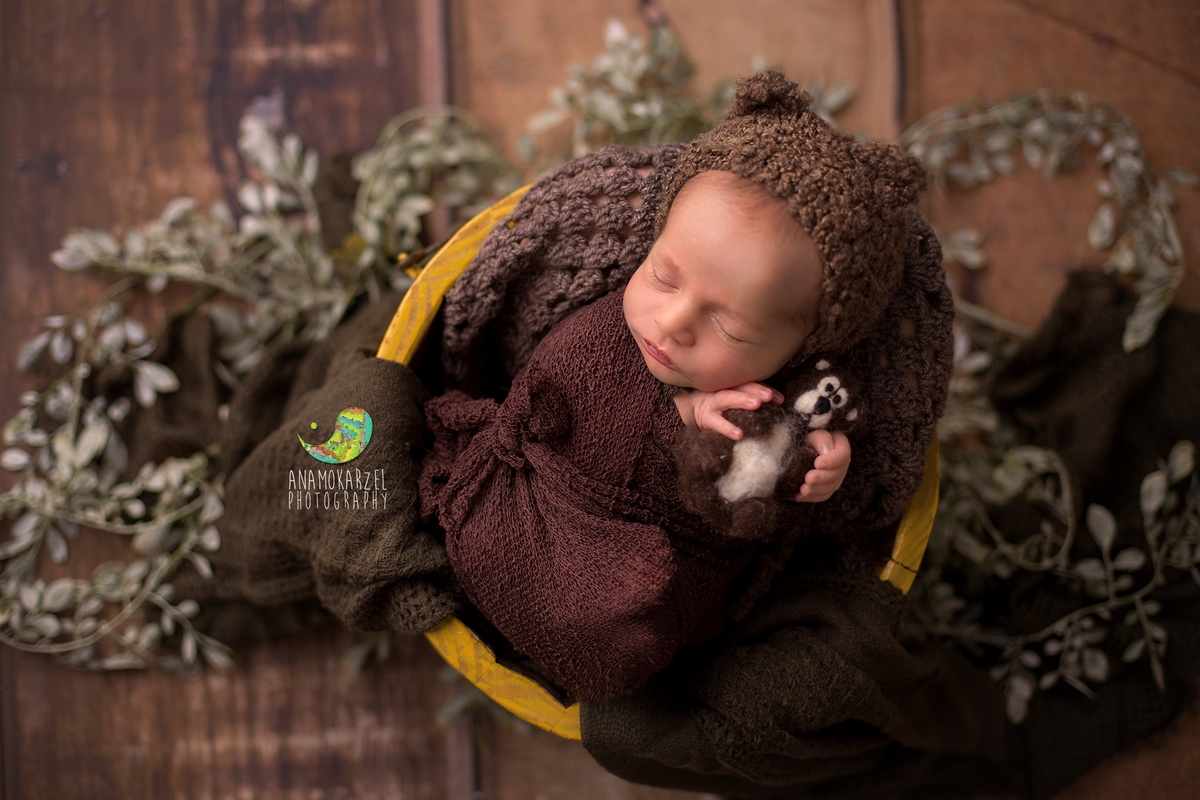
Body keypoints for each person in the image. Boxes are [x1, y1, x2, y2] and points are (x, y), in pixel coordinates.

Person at [419, 70, 944, 703]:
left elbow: (783, 515)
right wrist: (685, 407)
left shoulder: (789, 397)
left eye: (727, 324)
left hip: (670, 584)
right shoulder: (611, 325)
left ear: (803, 347)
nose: (670, 323)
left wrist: (825, 468)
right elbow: (554, 377)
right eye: (664, 277)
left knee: (646, 625)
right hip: (539, 504)